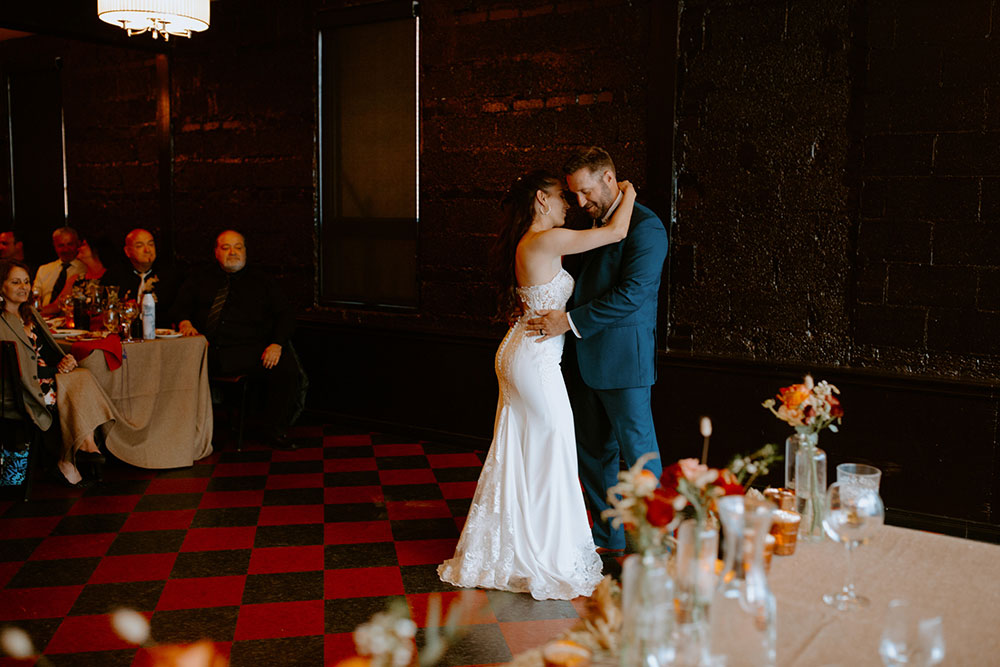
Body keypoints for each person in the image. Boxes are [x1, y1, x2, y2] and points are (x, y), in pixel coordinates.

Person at [438, 169, 635, 600]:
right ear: (543, 202)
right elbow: (618, 232)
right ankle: (546, 553)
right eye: (562, 198)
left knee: (525, 450)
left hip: (523, 355)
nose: (570, 205)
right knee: (553, 448)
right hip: (534, 363)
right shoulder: (546, 239)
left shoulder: (532, 243)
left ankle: (518, 546)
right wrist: (627, 191)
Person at [526, 147, 669, 553]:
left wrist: (568, 323)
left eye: (586, 192)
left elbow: (633, 295)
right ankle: (610, 537)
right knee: (593, 456)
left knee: (639, 457)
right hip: (580, 359)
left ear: (609, 178)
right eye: (573, 196)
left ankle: (653, 544)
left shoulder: (646, 228)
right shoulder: (592, 228)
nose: (580, 203)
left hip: (625, 362)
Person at [172, 230, 307, 450]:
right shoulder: (200, 278)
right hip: (206, 350)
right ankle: (184, 430)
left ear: (245, 251)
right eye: (226, 247)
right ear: (216, 252)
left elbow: (286, 315)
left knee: (286, 369)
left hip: (249, 350)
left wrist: (276, 344)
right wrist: (185, 323)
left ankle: (273, 428)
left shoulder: (262, 281)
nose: (232, 252)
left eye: (238, 247)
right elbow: (179, 307)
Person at [0, 259, 103, 487]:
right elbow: (19, 369)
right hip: (21, 390)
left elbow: (49, 351)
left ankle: (78, 451)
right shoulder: (2, 322)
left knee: (81, 377)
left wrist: (64, 361)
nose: (23, 287)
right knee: (77, 384)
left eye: (26, 282)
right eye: (15, 282)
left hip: (44, 379)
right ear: (1, 286)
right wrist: (56, 369)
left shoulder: (30, 315)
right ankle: (79, 450)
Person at [102, 229, 180, 327]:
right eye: (139, 246)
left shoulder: (169, 274)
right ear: (127, 251)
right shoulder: (115, 275)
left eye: (151, 244)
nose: (147, 250)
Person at [33, 227, 85, 307]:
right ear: (54, 246)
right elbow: (34, 296)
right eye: (61, 245)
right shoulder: (43, 270)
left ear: (78, 244)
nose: (66, 250)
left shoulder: (85, 269)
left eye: (70, 244)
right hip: (45, 316)